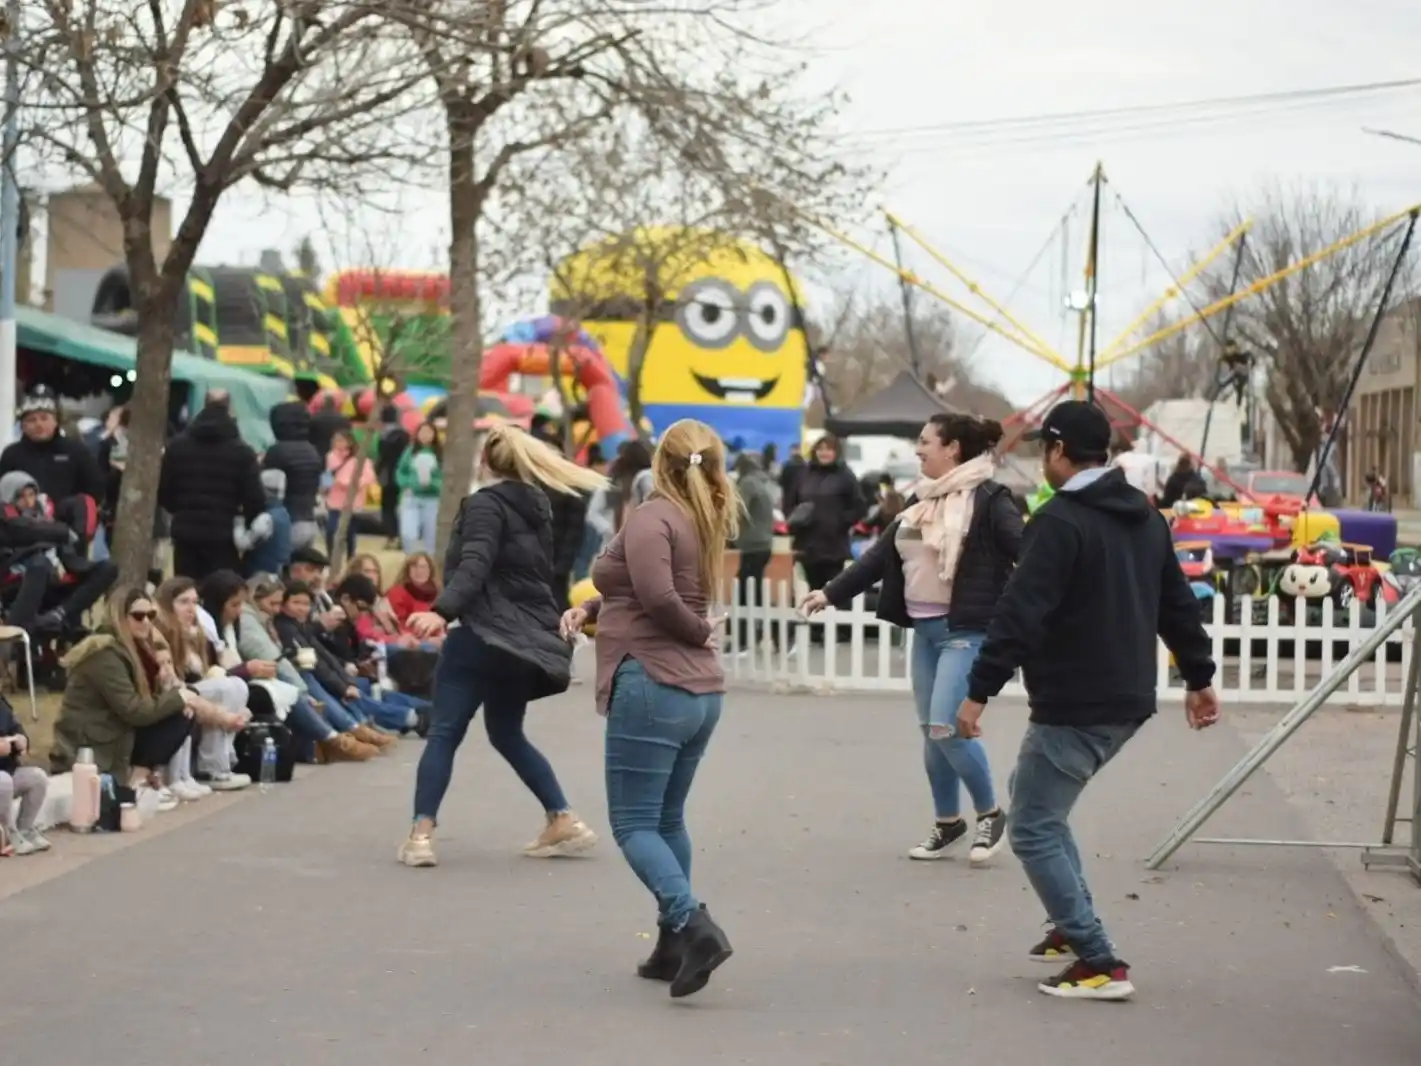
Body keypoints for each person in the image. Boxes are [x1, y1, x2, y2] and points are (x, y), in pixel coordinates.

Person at [955, 401, 1219, 1001]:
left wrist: (978, 691)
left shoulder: (1059, 520)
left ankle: (1099, 960)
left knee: (1031, 827)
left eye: (1043, 451)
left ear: (1056, 450)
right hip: (1125, 695)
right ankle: (1070, 926)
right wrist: (1199, 677)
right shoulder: (1147, 518)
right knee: (1037, 800)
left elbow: (1020, 613)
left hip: (1078, 697)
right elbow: (1176, 604)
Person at [560, 418, 737, 1000]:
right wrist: (591, 610)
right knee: (667, 820)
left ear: (661, 462)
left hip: (653, 682)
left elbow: (662, 600)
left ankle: (694, 923)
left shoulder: (652, 517)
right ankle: (672, 944)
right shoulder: (700, 516)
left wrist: (694, 631)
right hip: (697, 694)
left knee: (633, 824)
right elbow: (644, 589)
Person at [801, 415, 1019, 862]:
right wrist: (829, 592)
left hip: (967, 631)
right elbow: (877, 559)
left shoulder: (990, 500)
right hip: (925, 634)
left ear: (953, 448)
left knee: (946, 726)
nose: (917, 450)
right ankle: (947, 823)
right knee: (931, 732)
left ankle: (991, 813)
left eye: (925, 442)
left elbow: (1028, 551)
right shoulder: (918, 503)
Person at [398, 424, 604, 868]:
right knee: (506, 732)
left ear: (485, 462)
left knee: (445, 732)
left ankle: (421, 834)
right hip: (521, 644)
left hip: (480, 636)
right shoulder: (538, 509)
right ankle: (562, 817)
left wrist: (443, 611)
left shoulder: (484, 506)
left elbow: (474, 564)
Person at [51, 589, 244, 809]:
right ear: (119, 617)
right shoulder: (104, 653)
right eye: (138, 616)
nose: (146, 622)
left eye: (151, 615)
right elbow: (134, 711)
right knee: (180, 705)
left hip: (116, 732)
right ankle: (135, 784)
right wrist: (179, 697)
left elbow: (148, 702)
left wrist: (168, 686)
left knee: (183, 710)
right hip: (92, 743)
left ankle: (149, 778)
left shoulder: (137, 647)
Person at [268, 581, 383, 760]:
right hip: (298, 676)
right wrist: (342, 686)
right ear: (285, 605)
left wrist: (345, 681)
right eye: (296, 603)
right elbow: (312, 663)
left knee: (357, 686)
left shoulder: (302, 627)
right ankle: (352, 730)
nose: (301, 608)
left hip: (312, 673)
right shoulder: (286, 627)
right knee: (316, 680)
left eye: (305, 604)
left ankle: (359, 726)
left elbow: (324, 656)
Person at [159, 392, 267, 578]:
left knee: (186, 588)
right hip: (223, 533)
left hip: (185, 531)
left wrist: (180, 509)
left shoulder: (177, 446)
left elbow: (164, 491)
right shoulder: (242, 451)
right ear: (229, 408)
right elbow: (255, 499)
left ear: (204, 404)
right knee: (219, 590)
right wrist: (242, 521)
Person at [0, 388, 105, 517]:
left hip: (65, 529)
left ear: (56, 421)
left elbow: (95, 489)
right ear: (23, 425)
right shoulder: (11, 454)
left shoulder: (76, 451)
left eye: (44, 418)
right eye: (32, 420)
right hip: (20, 528)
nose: (39, 424)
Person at [784, 433, 864, 594]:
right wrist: (796, 518)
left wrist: (841, 522)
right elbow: (789, 502)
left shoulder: (845, 476)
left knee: (835, 592)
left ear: (836, 452)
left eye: (828, 449)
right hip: (807, 544)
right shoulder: (803, 475)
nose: (824, 453)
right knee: (811, 590)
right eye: (820, 449)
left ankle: (837, 619)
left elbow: (859, 506)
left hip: (834, 546)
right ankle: (814, 619)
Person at [262, 401, 325, 551]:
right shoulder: (312, 451)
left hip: (287, 521)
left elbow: (266, 487)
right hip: (309, 520)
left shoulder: (277, 451)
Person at [731, 452, 776, 651]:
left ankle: (744, 639)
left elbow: (738, 510)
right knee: (755, 591)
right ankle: (759, 634)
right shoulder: (763, 482)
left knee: (746, 594)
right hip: (764, 543)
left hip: (751, 544)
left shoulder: (748, 483)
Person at [0, 692, 50, 856]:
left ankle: (25, 829)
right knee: (4, 781)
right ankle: (8, 834)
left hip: (7, 768)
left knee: (37, 778)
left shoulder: (2, 702)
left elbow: (15, 728)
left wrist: (22, 740)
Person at [323, 429, 377, 559]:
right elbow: (328, 474)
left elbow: (369, 477)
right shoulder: (330, 457)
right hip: (334, 501)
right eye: (336, 441)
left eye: (342, 440)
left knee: (349, 533)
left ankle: (350, 557)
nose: (339, 444)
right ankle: (332, 557)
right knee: (331, 530)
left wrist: (352, 484)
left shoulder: (360, 459)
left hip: (353, 501)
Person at [396, 421, 443, 554]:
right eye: (422, 432)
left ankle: (429, 566)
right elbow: (401, 471)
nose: (425, 435)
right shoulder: (410, 451)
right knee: (408, 533)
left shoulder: (440, 453)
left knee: (431, 536)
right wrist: (406, 484)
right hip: (411, 498)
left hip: (432, 500)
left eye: (429, 432)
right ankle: (410, 560)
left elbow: (445, 477)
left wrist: (433, 484)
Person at [240, 470, 293, 577]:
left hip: (259, 576)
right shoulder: (284, 513)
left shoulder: (265, 518)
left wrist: (238, 521)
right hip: (278, 574)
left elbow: (243, 544)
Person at [377, 404, 413, 548]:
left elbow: (381, 458)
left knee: (387, 507)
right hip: (403, 477)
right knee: (402, 508)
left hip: (388, 476)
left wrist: (378, 472)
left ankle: (391, 536)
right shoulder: (405, 435)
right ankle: (401, 537)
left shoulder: (383, 436)